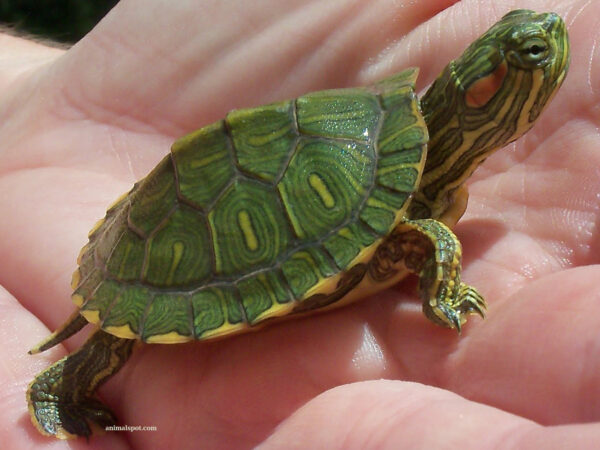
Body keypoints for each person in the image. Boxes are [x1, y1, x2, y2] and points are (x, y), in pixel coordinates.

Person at [1, 0, 599, 447]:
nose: (550, 36)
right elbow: (426, 236)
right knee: (122, 331)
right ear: (479, 93)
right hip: (178, 245)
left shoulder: (400, 144)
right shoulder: (406, 172)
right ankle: (62, 384)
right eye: (530, 56)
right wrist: (440, 290)